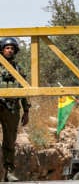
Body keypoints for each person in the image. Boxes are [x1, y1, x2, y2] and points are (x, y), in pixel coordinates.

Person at [0, 38, 30, 182]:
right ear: (2, 49)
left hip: (12, 108)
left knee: (10, 141)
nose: (10, 50)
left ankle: (9, 171)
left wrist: (27, 111)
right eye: (7, 48)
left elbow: (24, 90)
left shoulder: (19, 69)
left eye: (12, 48)